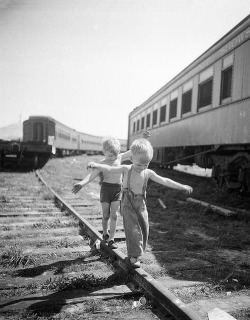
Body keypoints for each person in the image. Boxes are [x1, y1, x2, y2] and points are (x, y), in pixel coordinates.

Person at [87, 138, 193, 268]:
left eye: (146, 164)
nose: (142, 168)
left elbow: (164, 180)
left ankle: (139, 252)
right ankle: (134, 256)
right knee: (132, 229)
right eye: (139, 165)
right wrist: (97, 165)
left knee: (144, 228)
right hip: (128, 203)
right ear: (131, 159)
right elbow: (110, 170)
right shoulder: (126, 168)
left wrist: (181, 186)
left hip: (141, 203)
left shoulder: (148, 172)